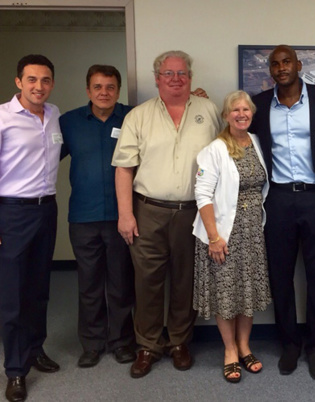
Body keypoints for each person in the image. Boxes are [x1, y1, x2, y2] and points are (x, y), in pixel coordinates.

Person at [112, 50, 222, 378]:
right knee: (147, 281)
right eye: (168, 74)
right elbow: (123, 168)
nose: (175, 79)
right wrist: (125, 214)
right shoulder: (139, 116)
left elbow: (223, 162)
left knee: (185, 280)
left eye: (182, 74)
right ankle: (147, 345)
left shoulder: (209, 110)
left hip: (194, 212)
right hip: (149, 211)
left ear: (191, 78)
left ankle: (179, 341)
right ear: (157, 78)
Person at [248, 45, 315, 380]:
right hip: (277, 199)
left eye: (287, 61)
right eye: (275, 64)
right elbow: (237, 129)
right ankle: (290, 344)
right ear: (270, 70)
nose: (281, 67)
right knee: (280, 276)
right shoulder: (259, 105)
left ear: (298, 65)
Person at [59, 65, 135, 369]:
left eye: (110, 87)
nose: (104, 93)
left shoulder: (133, 118)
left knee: (120, 282)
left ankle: (121, 342)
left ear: (118, 90)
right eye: (98, 87)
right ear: (88, 90)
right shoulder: (69, 122)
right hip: (83, 216)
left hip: (122, 216)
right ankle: (91, 344)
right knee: (89, 284)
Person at [192, 90, 271, 383]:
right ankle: (229, 352)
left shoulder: (256, 142)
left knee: (246, 291)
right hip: (223, 232)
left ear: (252, 114)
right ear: (226, 115)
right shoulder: (215, 149)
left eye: (246, 110)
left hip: (252, 231)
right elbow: (202, 193)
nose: (241, 114)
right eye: (235, 110)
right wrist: (214, 237)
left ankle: (245, 346)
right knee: (226, 293)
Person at [0, 54, 61, 402]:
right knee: (12, 296)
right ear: (18, 82)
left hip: (45, 210)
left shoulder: (53, 115)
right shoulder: (3, 118)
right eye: (32, 79)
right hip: (12, 212)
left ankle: (36, 349)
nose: (39, 86)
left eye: (46, 80)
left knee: (39, 288)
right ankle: (15, 370)